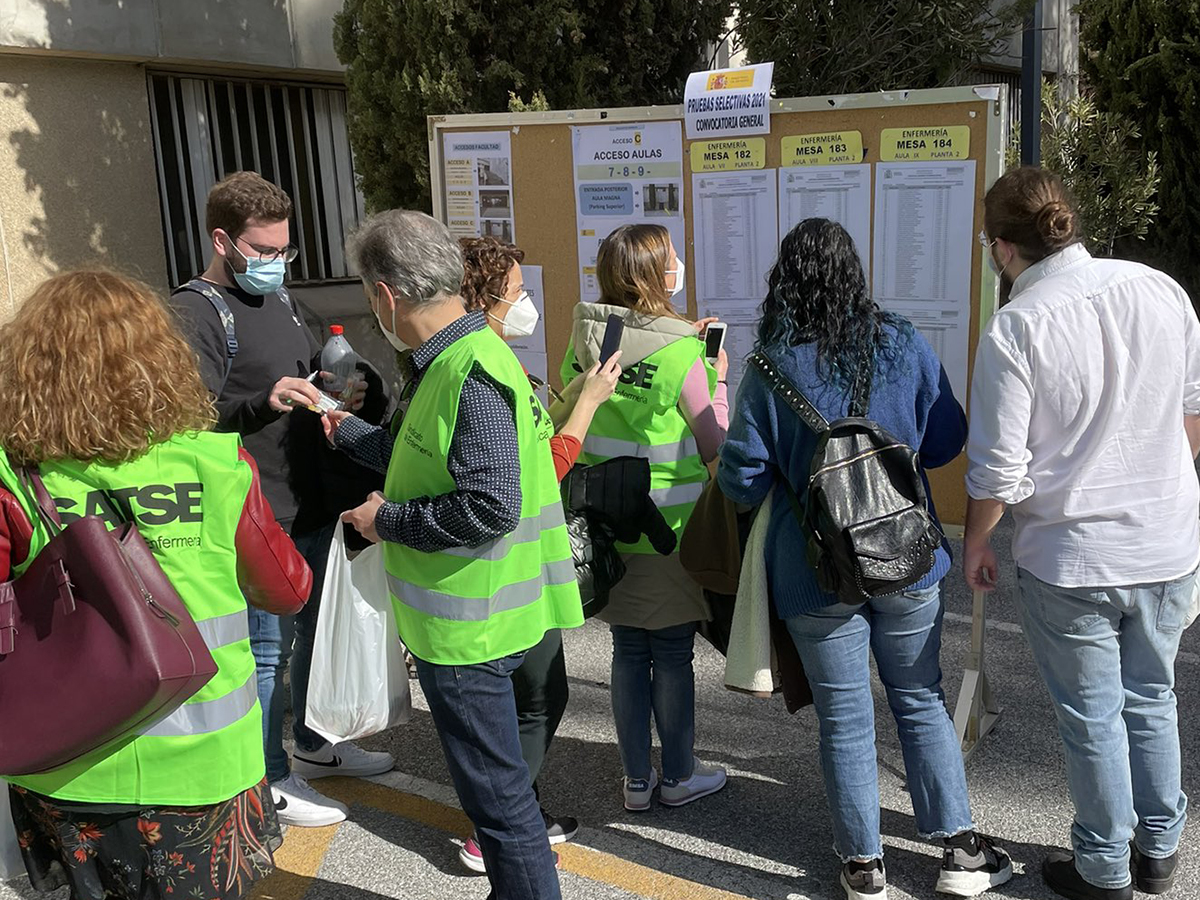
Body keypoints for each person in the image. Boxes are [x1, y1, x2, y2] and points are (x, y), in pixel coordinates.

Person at [718, 219, 1013, 900]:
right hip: (907, 554)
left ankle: (864, 867)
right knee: (919, 698)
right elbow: (947, 440)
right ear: (854, 275)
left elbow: (741, 481)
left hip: (814, 570)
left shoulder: (768, 368)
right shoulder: (902, 342)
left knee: (845, 717)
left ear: (784, 285)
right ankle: (959, 853)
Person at [0, 270, 312, 900]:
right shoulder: (217, 461)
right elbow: (286, 591)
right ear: (160, 362)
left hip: (67, 765)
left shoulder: (15, 472)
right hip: (208, 769)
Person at [965, 167, 1200, 900]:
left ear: (1003, 248)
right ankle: (1160, 851)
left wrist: (975, 545)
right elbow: (1192, 416)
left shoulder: (1018, 327)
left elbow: (998, 470)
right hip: (1167, 542)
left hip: (1071, 556)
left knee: (1093, 716)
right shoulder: (1162, 290)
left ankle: (1102, 867)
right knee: (1152, 696)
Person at [335, 210, 583, 900]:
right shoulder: (453, 357)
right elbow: (419, 457)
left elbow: (488, 505)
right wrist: (341, 426)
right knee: (503, 807)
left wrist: (386, 522)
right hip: (489, 617)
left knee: (502, 812)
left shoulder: (467, 371)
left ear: (385, 295)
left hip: (472, 630)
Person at [169, 172, 394, 828]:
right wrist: (258, 403)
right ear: (222, 240)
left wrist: (345, 393)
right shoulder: (195, 311)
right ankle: (269, 777)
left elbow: (311, 380)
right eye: (263, 252)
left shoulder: (286, 302)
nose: (275, 263)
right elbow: (184, 418)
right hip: (251, 509)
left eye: (284, 251)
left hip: (309, 501)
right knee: (265, 650)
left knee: (313, 635)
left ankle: (317, 745)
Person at [447, 236, 621, 871]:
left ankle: (515, 808)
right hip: (515, 565)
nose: (526, 302)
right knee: (540, 695)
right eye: (519, 291)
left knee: (521, 698)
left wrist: (574, 393)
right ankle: (496, 828)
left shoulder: (462, 357)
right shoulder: (490, 366)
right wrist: (588, 411)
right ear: (489, 297)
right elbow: (537, 473)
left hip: (493, 569)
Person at [559, 223, 728, 812]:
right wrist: (719, 375)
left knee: (628, 651)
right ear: (656, 275)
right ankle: (679, 773)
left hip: (603, 522)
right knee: (672, 652)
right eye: (672, 258)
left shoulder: (586, 334)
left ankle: (636, 779)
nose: (680, 264)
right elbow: (714, 443)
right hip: (668, 528)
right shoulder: (684, 350)